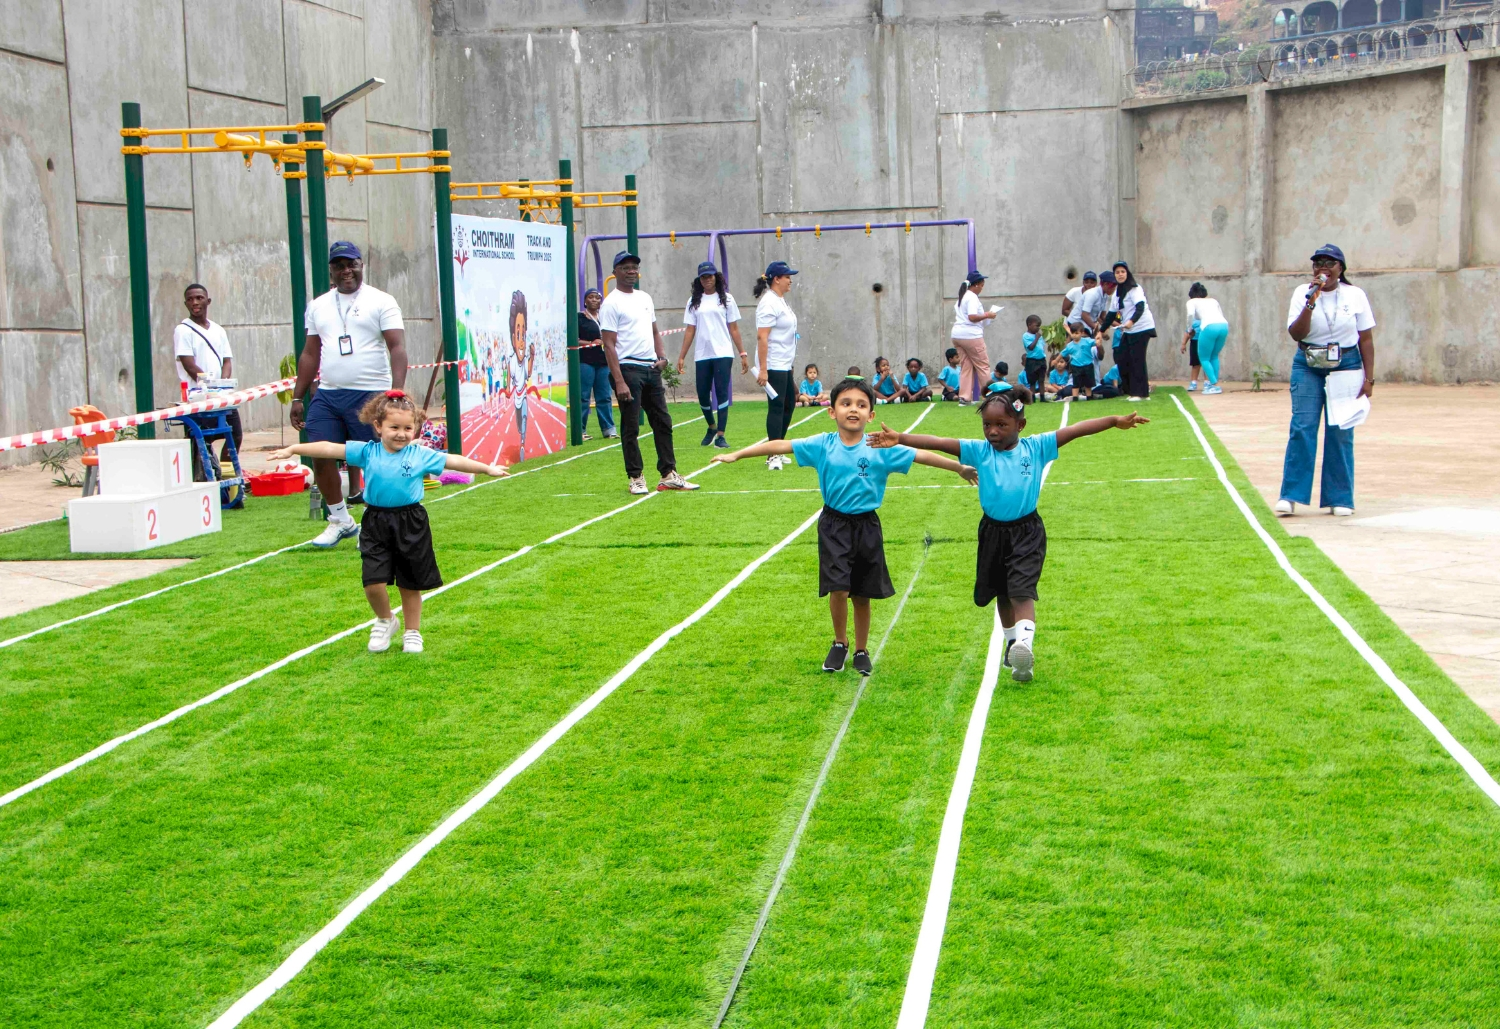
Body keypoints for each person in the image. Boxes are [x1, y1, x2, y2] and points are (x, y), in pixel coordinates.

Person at [867, 384, 1148, 682]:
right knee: (1001, 591)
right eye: (987, 424)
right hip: (993, 532)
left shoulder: (1036, 447)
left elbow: (1077, 429)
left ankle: (1025, 646)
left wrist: (1114, 420)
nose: (993, 431)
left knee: (1021, 590)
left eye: (1001, 424)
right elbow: (939, 441)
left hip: (1027, 532)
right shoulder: (979, 451)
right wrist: (901, 438)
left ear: (1020, 424)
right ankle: (1014, 645)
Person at [712, 377, 976, 675]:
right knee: (838, 589)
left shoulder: (880, 445)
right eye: (846, 404)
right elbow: (781, 444)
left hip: (867, 526)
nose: (854, 410)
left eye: (862, 405)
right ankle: (840, 642)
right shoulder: (822, 444)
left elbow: (920, 456)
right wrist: (738, 453)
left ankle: (862, 649)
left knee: (862, 594)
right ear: (832, 411)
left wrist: (958, 466)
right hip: (833, 525)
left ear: (871, 415)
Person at [270, 391, 508, 654]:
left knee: (410, 582)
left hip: (411, 521)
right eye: (394, 427)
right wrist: (293, 449)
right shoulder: (367, 452)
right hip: (375, 522)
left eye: (408, 428)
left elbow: (453, 460)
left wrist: (486, 468)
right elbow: (328, 448)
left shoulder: (420, 454)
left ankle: (412, 631)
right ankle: (386, 620)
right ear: (378, 427)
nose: (401, 434)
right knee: (372, 582)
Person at [291, 241, 409, 548]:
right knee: (319, 452)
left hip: (370, 394)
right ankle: (340, 520)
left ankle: (374, 523)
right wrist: (297, 396)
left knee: (375, 460)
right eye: (340, 265)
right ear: (331, 270)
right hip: (329, 394)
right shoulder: (318, 305)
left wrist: (396, 391)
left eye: (352, 264)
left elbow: (397, 347)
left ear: (361, 265)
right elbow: (309, 353)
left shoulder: (381, 301)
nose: (347, 271)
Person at [1277, 243, 1376, 518]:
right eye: (1318, 263)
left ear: (1340, 268)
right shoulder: (1302, 293)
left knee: (1341, 430)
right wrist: (1311, 301)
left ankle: (1339, 497)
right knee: (1302, 427)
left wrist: (1369, 378)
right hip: (1308, 363)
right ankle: (1291, 496)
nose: (1323, 268)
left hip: (1346, 364)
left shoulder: (1355, 295)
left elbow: (1366, 339)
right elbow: (1297, 333)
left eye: (1329, 263)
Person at [600, 249, 699, 494]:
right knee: (631, 426)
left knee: (663, 422)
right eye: (625, 268)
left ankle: (668, 473)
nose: (631, 271)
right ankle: (635, 476)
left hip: (650, 368)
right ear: (615, 273)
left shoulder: (645, 297)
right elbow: (608, 344)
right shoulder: (611, 303)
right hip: (628, 368)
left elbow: (654, 331)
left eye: (634, 267)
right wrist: (619, 381)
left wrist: (662, 356)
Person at [676, 261, 748, 448]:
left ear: (716, 277)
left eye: (710, 276)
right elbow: (690, 330)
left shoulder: (727, 299)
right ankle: (711, 426)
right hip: (702, 354)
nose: (707, 279)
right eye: (703, 277)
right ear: (699, 280)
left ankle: (721, 436)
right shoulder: (693, 302)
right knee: (702, 393)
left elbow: (733, 328)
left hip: (723, 352)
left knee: (722, 392)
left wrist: (742, 353)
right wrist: (682, 356)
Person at [173, 283, 241, 478]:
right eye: (190, 299)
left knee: (234, 434)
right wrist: (209, 386)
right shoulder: (183, 330)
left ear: (207, 301)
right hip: (198, 398)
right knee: (200, 441)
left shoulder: (219, 330)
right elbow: (189, 364)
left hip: (220, 398)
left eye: (199, 298)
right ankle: (204, 481)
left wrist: (222, 384)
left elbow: (227, 360)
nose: (195, 302)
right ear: (186, 303)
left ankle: (229, 479)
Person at [754, 260, 800, 469]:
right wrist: (763, 369)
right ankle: (772, 454)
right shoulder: (768, 303)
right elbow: (762, 337)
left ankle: (778, 448)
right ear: (776, 279)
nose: (790, 280)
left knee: (789, 404)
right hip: (773, 364)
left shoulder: (780, 300)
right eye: (787, 277)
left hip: (784, 363)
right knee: (777, 406)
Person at [1099, 261, 1155, 402]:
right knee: (1122, 358)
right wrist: (1101, 331)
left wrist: (1131, 322)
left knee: (1137, 360)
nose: (1120, 274)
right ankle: (1132, 390)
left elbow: (1140, 307)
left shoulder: (1134, 288)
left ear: (1127, 273)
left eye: (1122, 272)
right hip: (1128, 330)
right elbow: (1111, 314)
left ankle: (1142, 394)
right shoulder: (1117, 292)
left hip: (1142, 327)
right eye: (1117, 272)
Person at [950, 270, 998, 400]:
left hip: (957, 335)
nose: (982, 288)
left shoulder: (963, 296)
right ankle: (989, 395)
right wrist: (988, 314)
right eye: (982, 285)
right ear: (976, 284)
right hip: (971, 335)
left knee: (966, 366)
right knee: (983, 366)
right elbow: (972, 317)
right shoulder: (972, 297)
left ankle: (964, 397)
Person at [576, 288, 616, 440]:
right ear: (585, 301)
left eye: (597, 297)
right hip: (585, 361)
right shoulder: (580, 318)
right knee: (583, 396)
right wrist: (591, 343)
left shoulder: (605, 317)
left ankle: (609, 430)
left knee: (605, 396)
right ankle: (580, 430)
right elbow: (573, 339)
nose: (594, 300)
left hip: (604, 362)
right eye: (590, 297)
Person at [1183, 282, 1228, 396]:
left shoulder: (1191, 301)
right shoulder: (1213, 301)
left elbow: (1190, 315)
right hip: (1223, 326)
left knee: (1203, 357)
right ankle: (1214, 384)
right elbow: (1220, 314)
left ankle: (1213, 384)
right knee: (1214, 356)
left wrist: (1189, 329)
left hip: (1209, 327)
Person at [507, 290, 535, 460]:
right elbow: (508, 381)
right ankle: (521, 435)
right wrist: (507, 389)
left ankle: (523, 443)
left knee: (524, 419)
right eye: (518, 334)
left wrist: (533, 356)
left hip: (523, 396)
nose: (522, 339)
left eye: (523, 333)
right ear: (512, 338)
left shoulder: (524, 359)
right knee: (519, 423)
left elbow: (529, 373)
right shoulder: (511, 361)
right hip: (516, 398)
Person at [1062, 322, 1097, 399]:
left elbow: (1096, 342)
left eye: (1076, 333)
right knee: (1076, 384)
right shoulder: (1070, 345)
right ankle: (1075, 398)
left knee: (1088, 384)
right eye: (1072, 333)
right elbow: (1062, 353)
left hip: (1088, 365)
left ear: (1082, 333)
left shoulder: (1087, 341)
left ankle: (1089, 397)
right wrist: (1055, 360)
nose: (1074, 335)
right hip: (1076, 366)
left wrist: (1098, 333)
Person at [1021, 315, 1048, 397]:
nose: (1038, 328)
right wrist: (1036, 338)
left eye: (1039, 326)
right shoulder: (1026, 336)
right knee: (1032, 381)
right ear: (1029, 325)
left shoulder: (1039, 336)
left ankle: (1042, 397)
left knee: (1041, 380)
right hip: (1032, 360)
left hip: (1041, 360)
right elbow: (1031, 347)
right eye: (1036, 326)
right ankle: (1032, 397)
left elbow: (1042, 347)